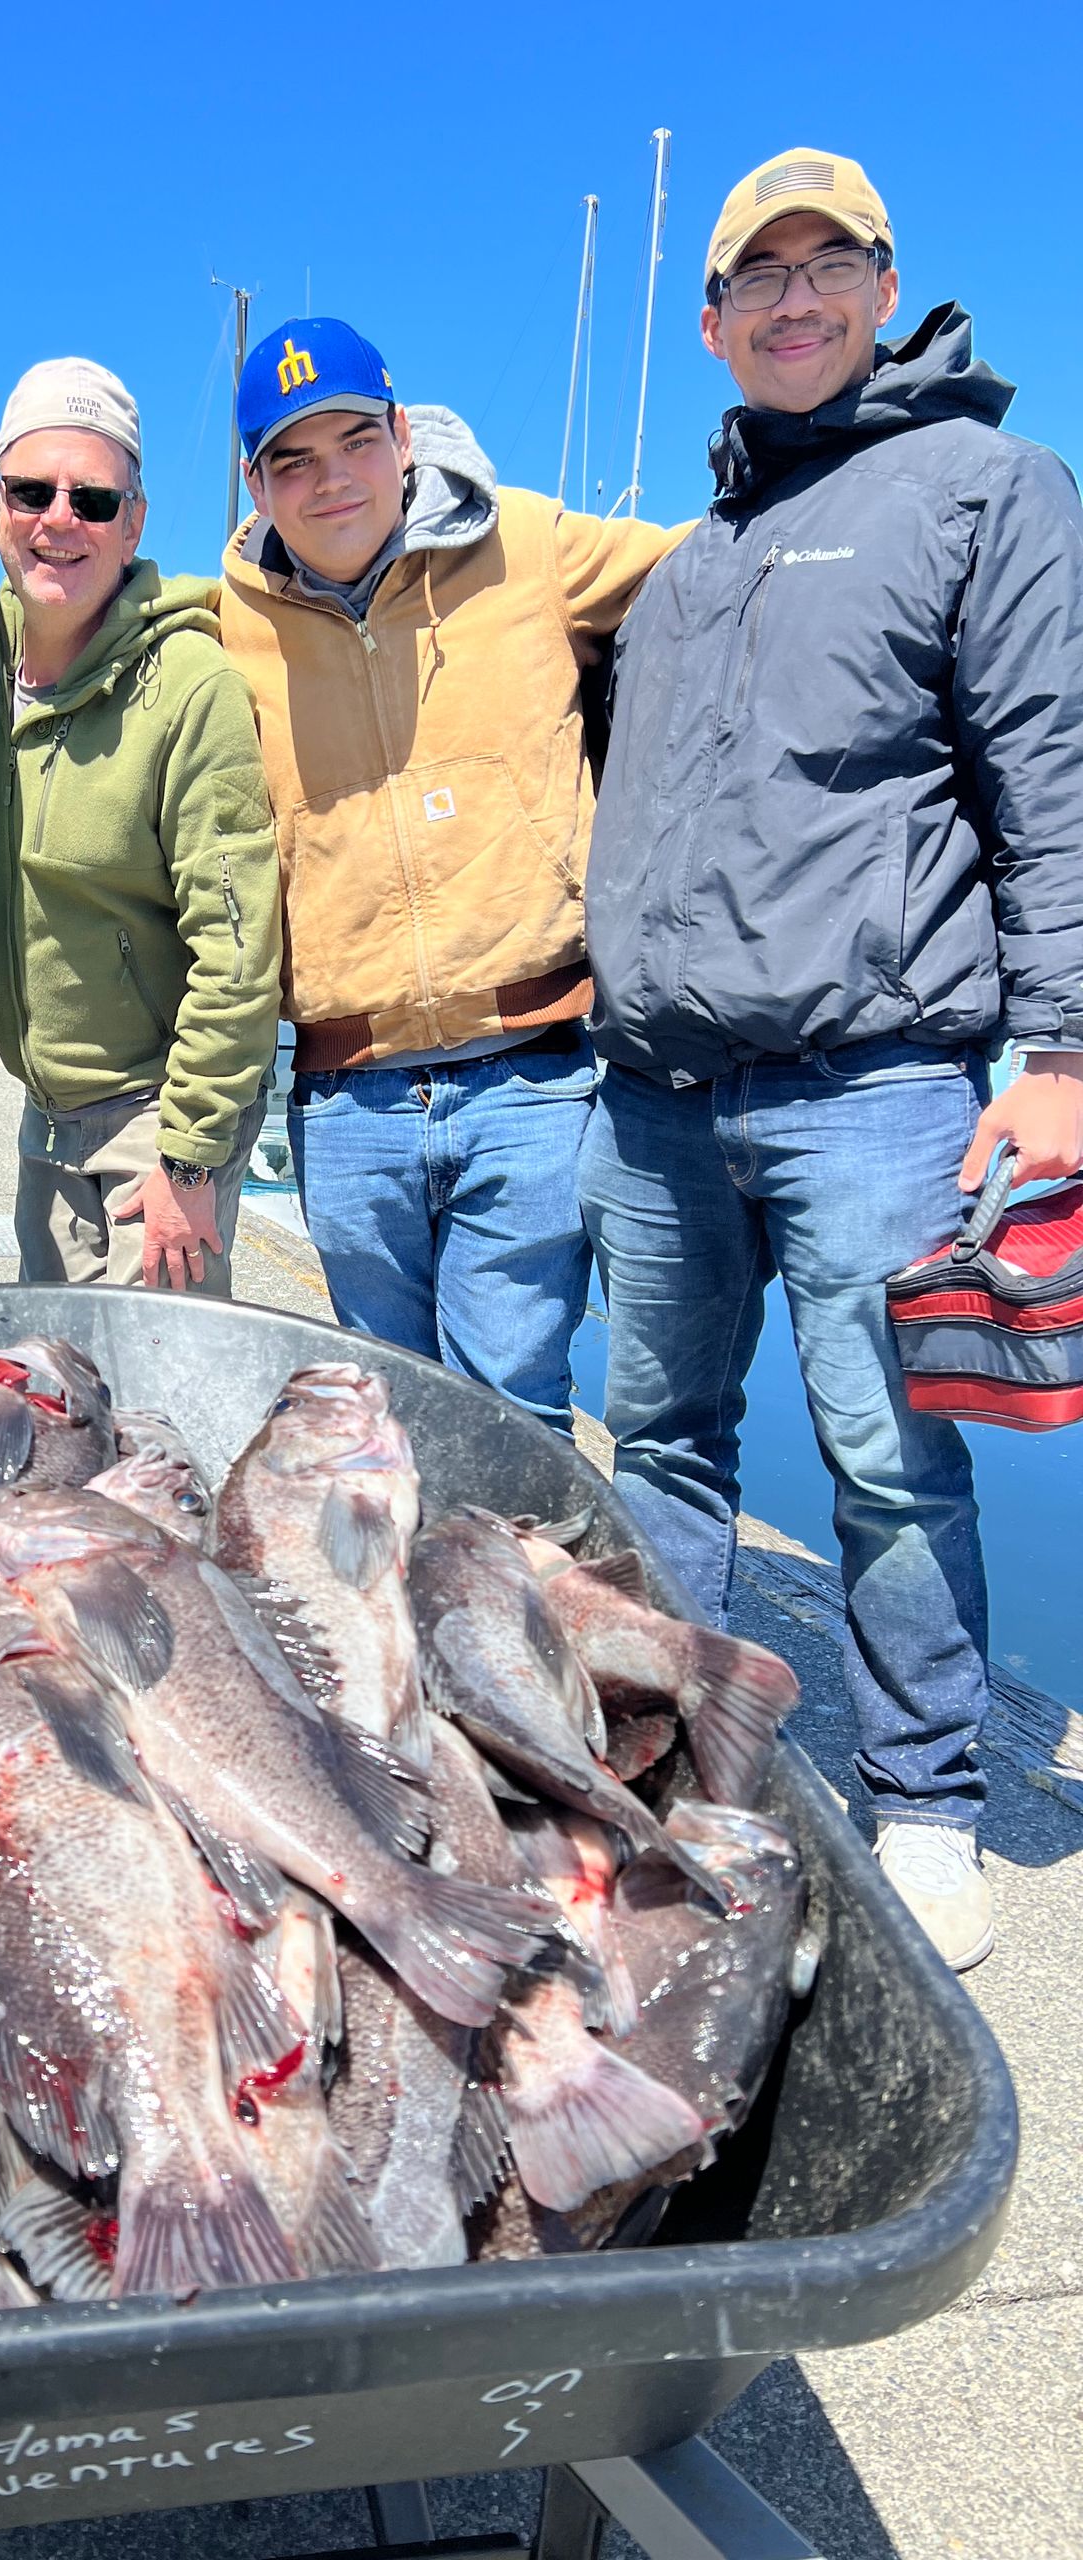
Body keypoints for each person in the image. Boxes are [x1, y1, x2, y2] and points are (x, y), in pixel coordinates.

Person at [579, 149, 1083, 1971]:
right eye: (756, 278)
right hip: (653, 1097)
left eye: (827, 266)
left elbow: (1055, 774)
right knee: (664, 1446)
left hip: (873, 1084)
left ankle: (929, 1798)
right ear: (710, 324)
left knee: (883, 1459)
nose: (793, 300)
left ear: (884, 287)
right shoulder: (689, 559)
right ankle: (674, 1766)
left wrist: (1067, 1049)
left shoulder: (985, 489)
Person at [216, 317, 682, 1427]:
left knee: (515, 1413)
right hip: (345, 1098)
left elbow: (728, 576)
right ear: (256, 482)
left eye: (353, 441)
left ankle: (514, 1602)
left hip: (531, 1078)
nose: (331, 480)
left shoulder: (530, 545)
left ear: (401, 433)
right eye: (293, 458)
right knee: (378, 1423)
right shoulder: (223, 616)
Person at [0, 360, 281, 1292]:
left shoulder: (191, 686)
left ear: (133, 522)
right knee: (63, 1401)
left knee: (152, 1411)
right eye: (32, 491)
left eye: (93, 499)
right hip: (46, 1113)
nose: (59, 518)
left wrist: (189, 1160)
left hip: (161, 1117)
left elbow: (237, 947)